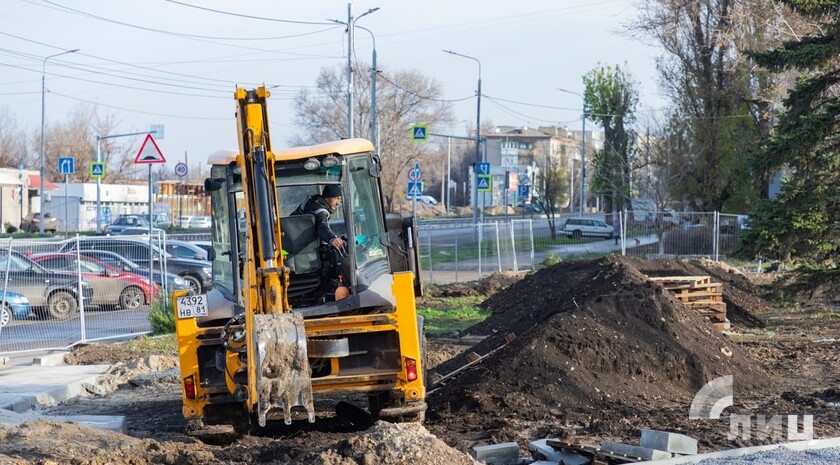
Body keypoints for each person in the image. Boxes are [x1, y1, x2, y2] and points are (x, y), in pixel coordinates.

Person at [292, 185, 345, 251]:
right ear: (328, 197)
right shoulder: (320, 212)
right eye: (336, 198)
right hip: (304, 249)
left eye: (339, 199)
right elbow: (323, 227)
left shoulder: (312, 203)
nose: (338, 203)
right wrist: (332, 238)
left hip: (293, 244)